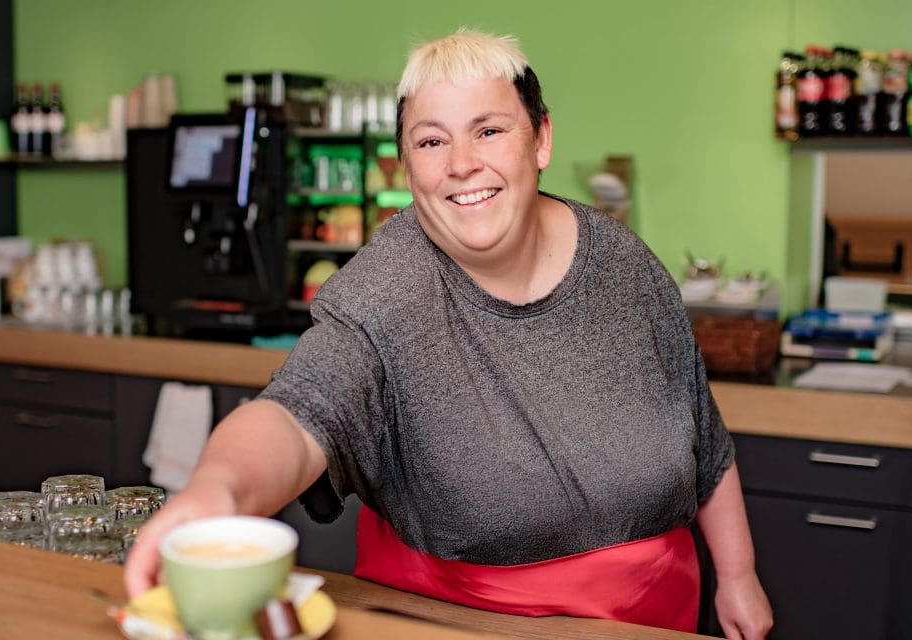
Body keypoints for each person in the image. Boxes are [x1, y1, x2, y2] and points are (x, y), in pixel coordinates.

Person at [126, 29, 772, 639]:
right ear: (406, 163)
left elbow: (703, 437)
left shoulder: (624, 264)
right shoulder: (385, 289)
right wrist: (218, 487)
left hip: (652, 620)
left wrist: (738, 575)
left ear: (540, 140)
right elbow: (296, 416)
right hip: (458, 625)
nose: (462, 164)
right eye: (432, 141)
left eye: (488, 130)